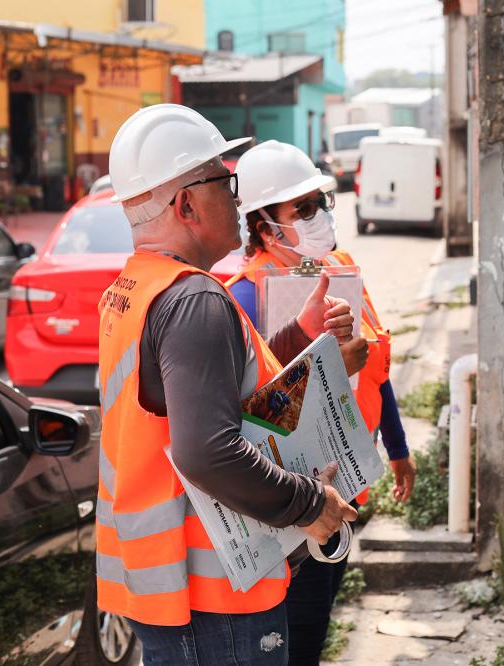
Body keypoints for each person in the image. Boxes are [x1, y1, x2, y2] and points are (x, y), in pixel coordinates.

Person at [96, 104, 360, 665]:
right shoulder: (194, 300)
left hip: (174, 593)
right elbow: (209, 452)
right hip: (216, 600)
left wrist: (297, 335)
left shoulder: (136, 288)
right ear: (187, 204)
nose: (238, 200)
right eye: (226, 183)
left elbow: (214, 396)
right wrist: (309, 504)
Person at [225, 140, 417, 665]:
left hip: (343, 486)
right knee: (298, 634)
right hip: (289, 504)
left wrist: (397, 448)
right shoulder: (243, 298)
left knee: (320, 615)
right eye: (302, 209)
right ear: (266, 228)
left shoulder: (339, 270)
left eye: (320, 203)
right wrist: (330, 367)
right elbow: (250, 416)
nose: (320, 217)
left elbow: (375, 365)